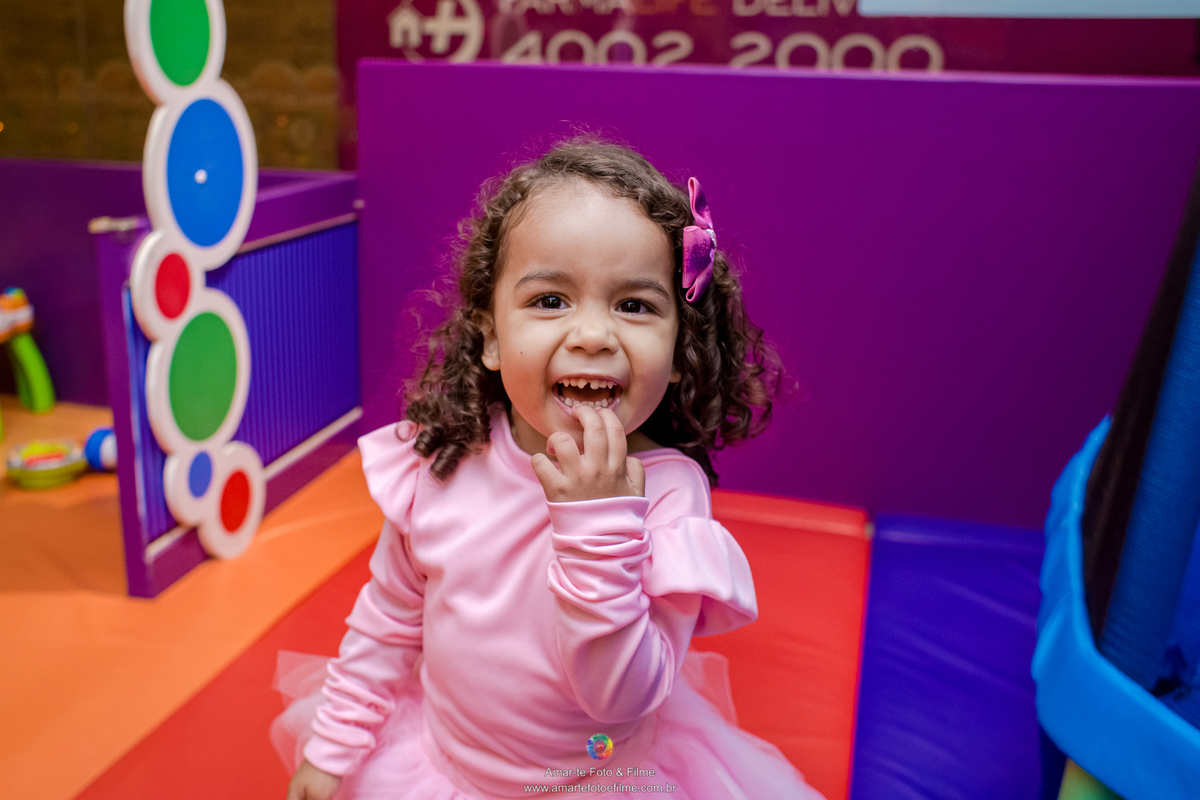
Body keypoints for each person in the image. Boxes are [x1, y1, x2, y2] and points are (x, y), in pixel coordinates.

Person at [276, 138, 825, 799]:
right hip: (440, 768)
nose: (592, 335)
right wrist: (334, 746)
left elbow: (621, 697)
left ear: (680, 350)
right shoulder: (446, 460)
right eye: (550, 300)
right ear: (491, 337)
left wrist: (597, 524)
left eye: (634, 305)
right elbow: (389, 618)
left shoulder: (667, 497)